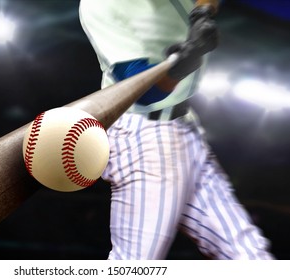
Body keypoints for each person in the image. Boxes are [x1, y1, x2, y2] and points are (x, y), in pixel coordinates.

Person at [79, 0, 274, 259]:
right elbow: (144, 91)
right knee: (134, 264)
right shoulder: (100, 5)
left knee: (249, 254)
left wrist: (202, 13)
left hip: (185, 125)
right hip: (145, 135)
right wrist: (186, 60)